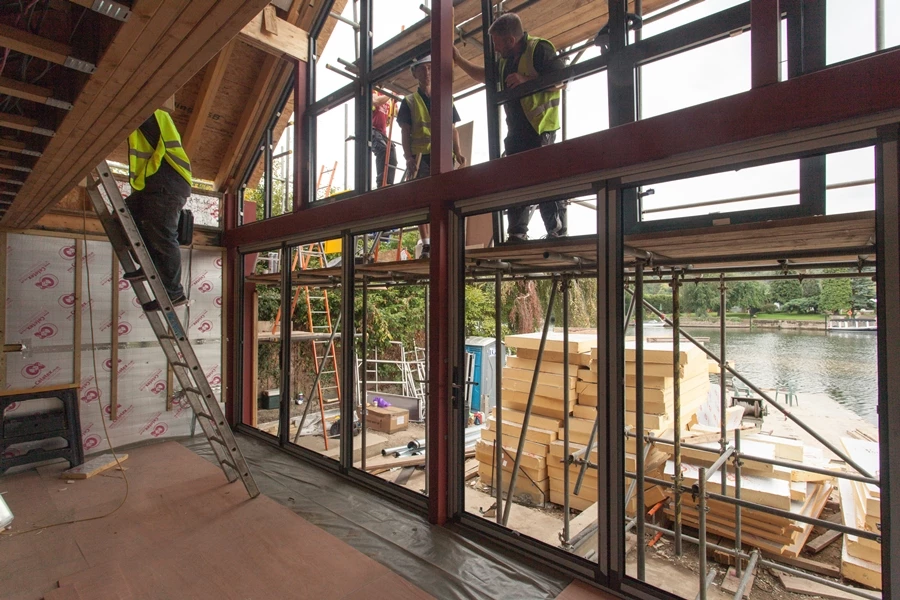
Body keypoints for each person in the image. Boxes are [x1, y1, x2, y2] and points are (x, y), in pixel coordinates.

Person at [453, 13, 566, 242]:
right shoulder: (505, 60)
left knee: (543, 178)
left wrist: (526, 81)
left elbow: (561, 79)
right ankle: (517, 232)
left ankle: (556, 231)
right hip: (516, 130)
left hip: (540, 127)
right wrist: (458, 60)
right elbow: (486, 75)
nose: (495, 49)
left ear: (510, 40)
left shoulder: (539, 49)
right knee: (515, 179)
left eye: (496, 43)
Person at [397, 55, 467, 258]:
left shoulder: (445, 97)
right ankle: (427, 243)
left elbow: (452, 128)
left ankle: (445, 239)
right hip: (421, 157)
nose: (427, 72)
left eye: (430, 68)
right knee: (423, 199)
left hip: (442, 155)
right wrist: (408, 157)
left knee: (446, 197)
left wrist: (458, 151)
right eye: (422, 69)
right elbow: (405, 131)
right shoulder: (409, 101)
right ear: (415, 73)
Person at [123, 107, 192, 311]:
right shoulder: (150, 117)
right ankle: (147, 264)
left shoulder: (151, 114)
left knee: (163, 235)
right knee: (123, 218)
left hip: (167, 184)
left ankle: (174, 293)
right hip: (153, 184)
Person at [372, 90, 397, 187]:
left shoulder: (389, 101)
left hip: (383, 134)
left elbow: (397, 113)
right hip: (372, 129)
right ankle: (381, 183)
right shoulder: (375, 92)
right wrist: (391, 94)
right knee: (382, 149)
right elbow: (376, 101)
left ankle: (389, 184)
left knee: (392, 157)